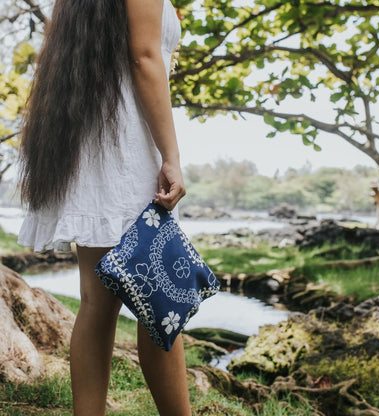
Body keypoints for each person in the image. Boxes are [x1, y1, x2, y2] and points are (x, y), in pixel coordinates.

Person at [17, 0, 190, 415]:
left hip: (94, 146)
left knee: (96, 303)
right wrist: (171, 155)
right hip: (128, 154)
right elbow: (145, 57)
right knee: (160, 302)